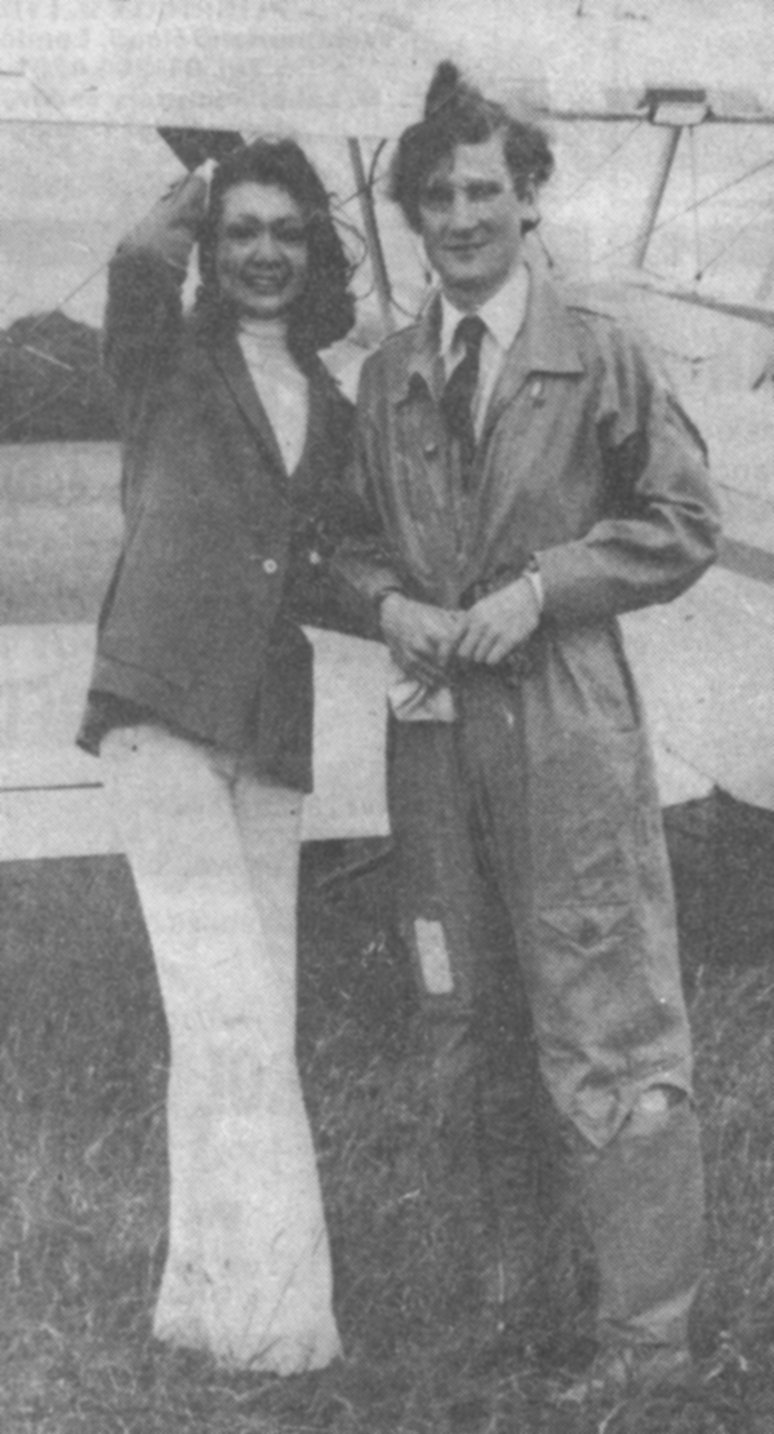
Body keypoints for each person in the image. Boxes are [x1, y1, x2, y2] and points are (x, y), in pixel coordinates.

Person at [334, 62, 721, 1407]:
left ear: (528, 195)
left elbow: (681, 522)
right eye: (434, 194)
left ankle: (645, 1345)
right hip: (432, 738)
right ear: (413, 210)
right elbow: (332, 542)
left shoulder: (595, 345)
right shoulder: (387, 373)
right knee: (470, 1022)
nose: (458, 214)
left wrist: (541, 590)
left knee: (603, 1018)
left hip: (561, 722)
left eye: (482, 188)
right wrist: (383, 600)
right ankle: (517, 1313)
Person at [78, 138, 357, 1373]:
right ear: (213, 240)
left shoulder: (331, 400)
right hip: (159, 712)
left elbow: (321, 564)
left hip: (265, 729)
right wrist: (230, 153)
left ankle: (199, 1308)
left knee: (245, 1023)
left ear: (316, 250)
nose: (261, 252)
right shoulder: (160, 353)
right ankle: (282, 1332)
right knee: (233, 1015)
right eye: (241, 228)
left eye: (286, 231)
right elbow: (141, 254)